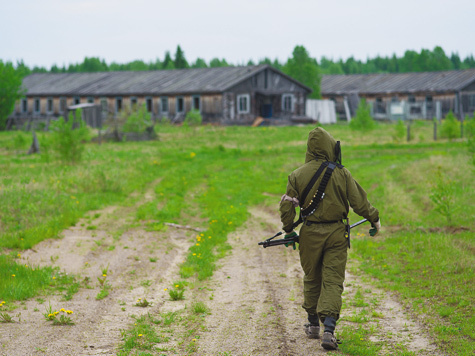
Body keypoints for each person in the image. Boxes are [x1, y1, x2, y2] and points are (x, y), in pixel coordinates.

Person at [279, 127, 380, 350]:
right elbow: (359, 203)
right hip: (336, 233)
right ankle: (329, 330)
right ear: (330, 146)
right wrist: (374, 219)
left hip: (309, 234)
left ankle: (313, 323)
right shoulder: (342, 173)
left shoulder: (296, 175)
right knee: (333, 279)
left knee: (312, 276)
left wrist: (288, 230)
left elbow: (287, 207)